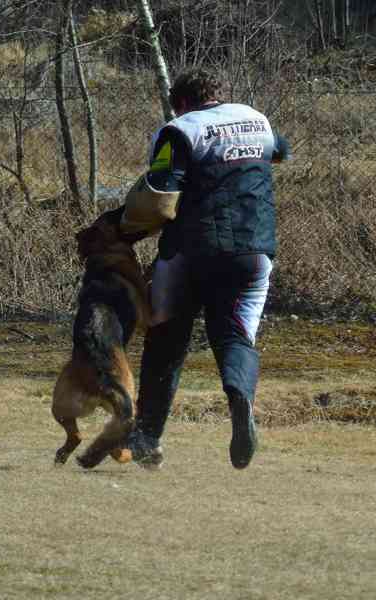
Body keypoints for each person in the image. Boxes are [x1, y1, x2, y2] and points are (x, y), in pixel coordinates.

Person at [117, 68, 292, 470]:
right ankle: (240, 397)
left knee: (166, 341)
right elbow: (281, 152)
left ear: (179, 101)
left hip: (190, 252)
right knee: (235, 337)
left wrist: (129, 228)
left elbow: (162, 190)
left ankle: (147, 436)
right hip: (254, 252)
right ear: (219, 93)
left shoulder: (180, 129)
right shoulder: (257, 119)